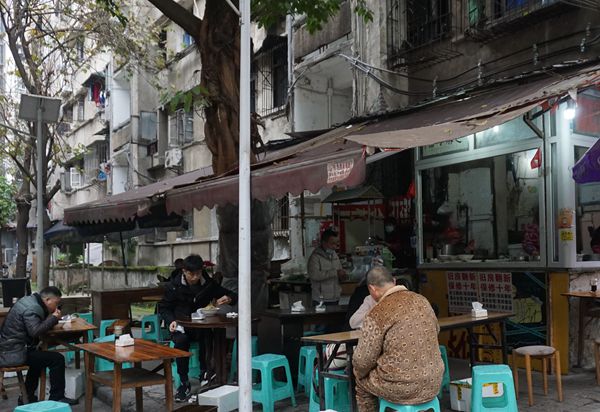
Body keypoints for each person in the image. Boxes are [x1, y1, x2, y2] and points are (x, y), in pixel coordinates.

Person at [353, 267, 443, 411]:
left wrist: (358, 371)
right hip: (434, 381)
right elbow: (436, 330)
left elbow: (363, 360)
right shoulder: (422, 300)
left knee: (361, 380)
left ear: (372, 289)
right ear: (393, 281)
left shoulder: (377, 312)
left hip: (400, 386)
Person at [158, 254, 237, 402]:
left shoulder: (208, 284)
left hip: (202, 326)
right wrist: (171, 321)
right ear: (184, 271)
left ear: (202, 270)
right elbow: (164, 308)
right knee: (181, 341)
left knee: (209, 336)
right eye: (191, 274)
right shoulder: (173, 286)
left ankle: (206, 374)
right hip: (181, 326)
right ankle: (183, 382)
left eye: (198, 273)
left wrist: (230, 298)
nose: (195, 277)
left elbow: (231, 294)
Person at [0, 286, 78, 405]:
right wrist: (53, 318)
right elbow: (35, 331)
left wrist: (51, 320)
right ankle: (57, 398)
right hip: (13, 353)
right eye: (56, 303)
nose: (56, 307)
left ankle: (27, 396)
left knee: (38, 359)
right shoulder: (33, 308)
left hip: (10, 349)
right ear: (47, 300)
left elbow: (33, 326)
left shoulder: (29, 300)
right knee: (57, 359)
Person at [307, 229, 346, 306]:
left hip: (335, 297)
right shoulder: (315, 257)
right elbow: (314, 275)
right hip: (321, 299)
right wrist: (335, 272)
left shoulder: (335, 255)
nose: (335, 247)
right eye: (332, 244)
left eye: (336, 244)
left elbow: (339, 271)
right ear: (324, 243)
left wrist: (342, 276)